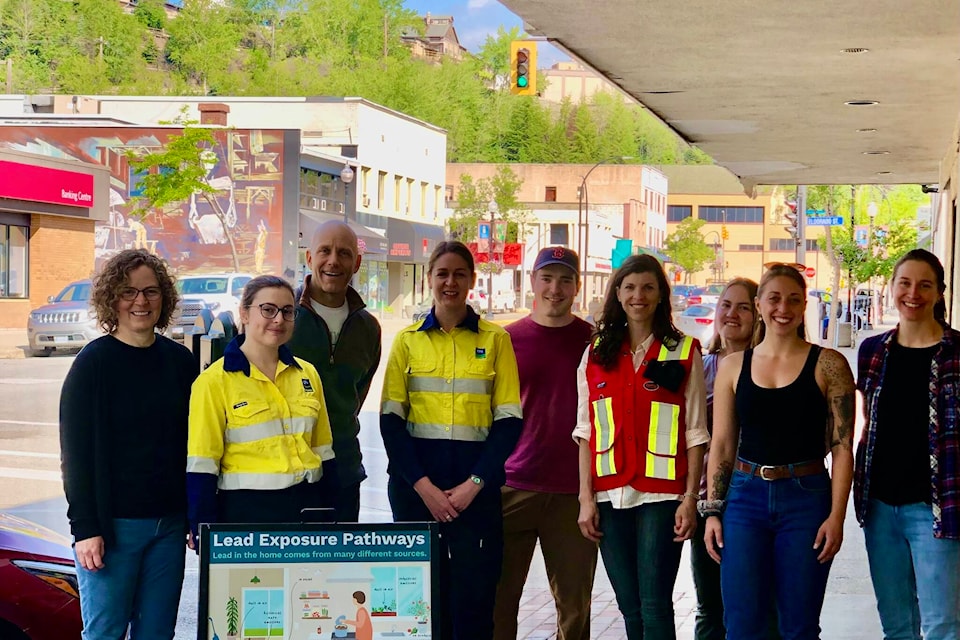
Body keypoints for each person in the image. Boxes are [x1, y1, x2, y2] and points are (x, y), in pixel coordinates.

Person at [704, 263, 855, 640]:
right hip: (744, 499)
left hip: (805, 499)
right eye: (773, 298)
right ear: (758, 304)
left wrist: (837, 517)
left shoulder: (829, 365)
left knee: (799, 625)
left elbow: (841, 448)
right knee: (740, 624)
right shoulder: (733, 366)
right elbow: (722, 444)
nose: (782, 308)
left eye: (793, 299)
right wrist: (712, 511)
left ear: (804, 306)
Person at [380, 241, 523, 640]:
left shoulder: (496, 341)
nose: (450, 282)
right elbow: (391, 423)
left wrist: (472, 485)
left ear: (472, 280)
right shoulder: (407, 341)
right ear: (429, 279)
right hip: (415, 491)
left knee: (473, 603)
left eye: (460, 274)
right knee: (418, 603)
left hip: (474, 495)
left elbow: (509, 421)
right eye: (442, 273)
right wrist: (423, 488)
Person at [60, 249, 197, 640]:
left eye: (151, 292)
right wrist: (85, 528)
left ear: (164, 298)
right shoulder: (93, 364)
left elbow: (194, 445)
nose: (141, 301)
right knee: (105, 632)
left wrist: (195, 513)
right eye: (129, 291)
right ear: (112, 299)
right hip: (112, 529)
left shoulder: (180, 362)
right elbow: (76, 455)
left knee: (157, 633)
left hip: (168, 527)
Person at [574, 254, 708, 640]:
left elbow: (695, 432)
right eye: (630, 287)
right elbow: (585, 431)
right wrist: (586, 498)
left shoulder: (683, 351)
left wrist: (688, 499)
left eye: (648, 287)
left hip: (662, 496)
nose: (639, 296)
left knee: (655, 606)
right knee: (629, 607)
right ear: (617, 293)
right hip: (608, 494)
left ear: (661, 295)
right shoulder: (596, 353)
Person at [855, 249, 960, 640]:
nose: (913, 293)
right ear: (893, 287)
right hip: (879, 507)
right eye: (905, 283)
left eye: (924, 285)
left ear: (938, 293)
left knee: (942, 626)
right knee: (897, 625)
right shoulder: (872, 351)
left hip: (938, 509)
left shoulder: (957, 352)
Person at [493, 247, 597, 640]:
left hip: (573, 492)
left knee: (575, 609)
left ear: (576, 286)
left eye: (565, 279)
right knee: (500, 602)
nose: (556, 288)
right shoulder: (506, 339)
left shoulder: (594, 340)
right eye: (548, 278)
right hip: (513, 485)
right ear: (533, 282)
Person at [187, 275, 337, 542]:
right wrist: (203, 531)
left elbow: (323, 450)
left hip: (308, 509)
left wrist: (333, 515)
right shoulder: (213, 382)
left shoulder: (308, 374)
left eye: (288, 311)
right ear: (244, 314)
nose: (278, 319)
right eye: (268, 309)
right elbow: (203, 465)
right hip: (247, 516)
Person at [289, 220, 381, 522]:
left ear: (357, 263)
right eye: (324, 251)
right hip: (287, 475)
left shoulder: (368, 328)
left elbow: (357, 396)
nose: (333, 261)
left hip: (343, 472)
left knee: (340, 567)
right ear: (309, 258)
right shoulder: (282, 315)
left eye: (343, 253)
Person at [689, 278, 759, 640]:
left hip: (755, 499)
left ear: (758, 313)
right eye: (726, 305)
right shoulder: (700, 366)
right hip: (705, 501)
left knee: (757, 605)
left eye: (743, 307)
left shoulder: (769, 366)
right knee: (710, 607)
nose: (732, 314)